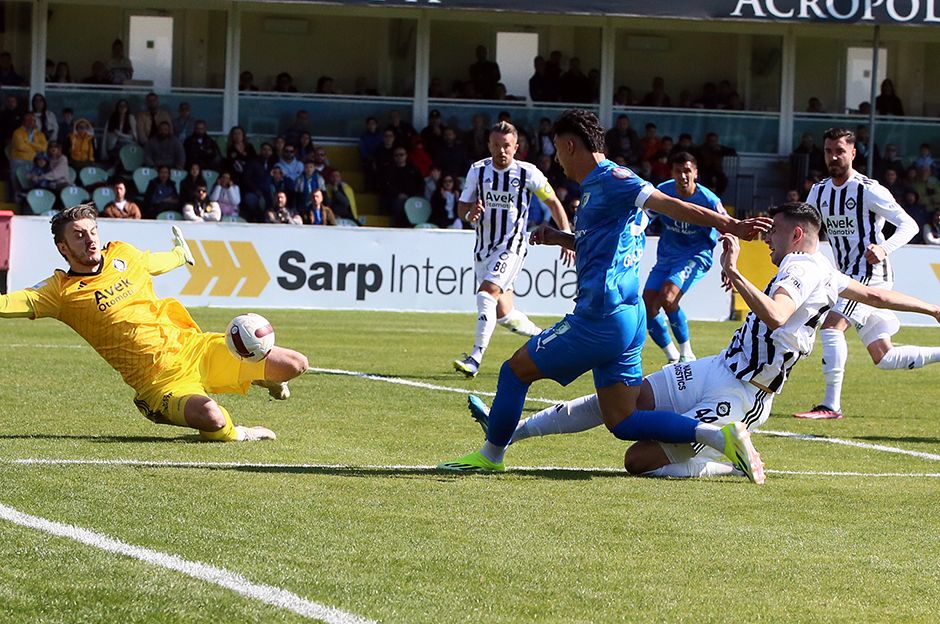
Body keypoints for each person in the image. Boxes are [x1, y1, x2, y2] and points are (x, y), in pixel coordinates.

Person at [466, 201, 940, 479]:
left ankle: (726, 458)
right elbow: (878, 293)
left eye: (773, 233)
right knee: (625, 403)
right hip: (717, 366)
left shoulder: (797, 266)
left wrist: (734, 273)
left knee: (637, 460)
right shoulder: (828, 273)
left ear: (797, 234)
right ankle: (512, 431)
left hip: (744, 392)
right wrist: (933, 307)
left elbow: (776, 315)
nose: (767, 242)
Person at [438, 109, 771, 481]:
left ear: (570, 145)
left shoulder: (613, 178)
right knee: (623, 420)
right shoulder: (598, 188)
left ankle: (491, 454)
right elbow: (607, 243)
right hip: (628, 319)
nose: (556, 160)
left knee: (514, 371)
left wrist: (731, 224)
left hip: (600, 319)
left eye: (557, 152)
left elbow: (668, 205)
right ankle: (718, 435)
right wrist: (561, 237)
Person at [0, 206, 307, 440]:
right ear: (63, 248)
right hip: (159, 384)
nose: (89, 239)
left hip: (195, 349)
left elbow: (153, 262)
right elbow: (6, 304)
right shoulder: (59, 292)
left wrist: (179, 254)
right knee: (212, 417)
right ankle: (240, 433)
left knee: (296, 364)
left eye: (92, 231)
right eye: (78, 235)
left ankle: (264, 378)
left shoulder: (122, 253)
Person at [797, 127, 936, 420]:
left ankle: (831, 405)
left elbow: (908, 224)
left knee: (832, 326)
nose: (834, 157)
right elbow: (806, 229)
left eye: (839, 151)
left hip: (870, 273)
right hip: (844, 273)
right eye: (828, 151)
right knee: (883, 356)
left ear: (853, 153)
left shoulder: (868, 189)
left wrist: (884, 248)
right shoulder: (818, 191)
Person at [452, 120, 574, 378]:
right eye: (496, 145)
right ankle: (545, 338)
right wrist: (469, 213)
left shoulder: (529, 173)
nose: (501, 150)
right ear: (489, 145)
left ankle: (475, 358)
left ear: (516, 147)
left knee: (486, 294)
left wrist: (565, 236)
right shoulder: (478, 171)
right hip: (483, 249)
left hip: (512, 247)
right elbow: (463, 207)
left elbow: (553, 202)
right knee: (503, 312)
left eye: (506, 146)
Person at [644, 152, 724, 364]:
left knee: (669, 298)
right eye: (678, 171)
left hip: (695, 255)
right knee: (648, 305)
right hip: (666, 257)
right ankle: (672, 357)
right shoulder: (663, 192)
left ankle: (687, 354)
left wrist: (729, 263)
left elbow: (728, 229)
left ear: (695, 173)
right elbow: (645, 216)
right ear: (672, 173)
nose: (683, 176)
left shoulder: (708, 200)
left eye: (687, 170)